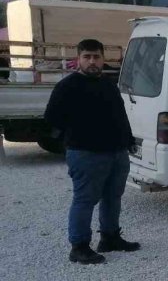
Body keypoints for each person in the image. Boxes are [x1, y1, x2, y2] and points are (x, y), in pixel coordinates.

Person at [44, 39, 140, 265]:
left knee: (113, 197)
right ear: (78, 59)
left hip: (116, 152)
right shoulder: (68, 86)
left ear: (103, 58)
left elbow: (120, 115)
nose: (92, 61)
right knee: (85, 200)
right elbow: (52, 119)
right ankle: (79, 247)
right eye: (87, 57)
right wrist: (75, 136)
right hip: (86, 154)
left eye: (96, 57)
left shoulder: (108, 84)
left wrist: (128, 140)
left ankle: (110, 237)